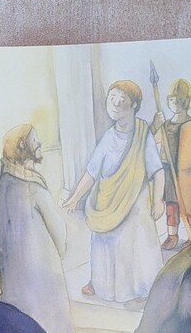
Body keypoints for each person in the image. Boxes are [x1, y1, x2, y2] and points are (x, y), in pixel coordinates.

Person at [63, 80, 165, 304]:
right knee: (103, 241)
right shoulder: (109, 137)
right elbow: (92, 171)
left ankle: (140, 288)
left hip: (135, 200)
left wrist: (158, 200)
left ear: (134, 105)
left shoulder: (142, 133)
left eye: (122, 99)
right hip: (107, 199)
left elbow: (157, 170)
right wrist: (75, 197)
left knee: (134, 240)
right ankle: (100, 283)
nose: (116, 103)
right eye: (112, 98)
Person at [0, 124, 77, 333]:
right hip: (41, 266)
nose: (39, 143)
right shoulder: (32, 186)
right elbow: (57, 229)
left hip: (14, 271)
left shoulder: (4, 182)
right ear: (23, 146)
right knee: (49, 312)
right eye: (35, 140)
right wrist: (59, 250)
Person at [150, 77, 191, 250]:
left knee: (190, 205)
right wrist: (155, 125)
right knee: (171, 205)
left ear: (187, 101)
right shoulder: (166, 126)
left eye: (179, 99)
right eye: (172, 100)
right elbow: (151, 141)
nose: (176, 103)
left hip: (188, 171)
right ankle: (172, 236)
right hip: (169, 170)